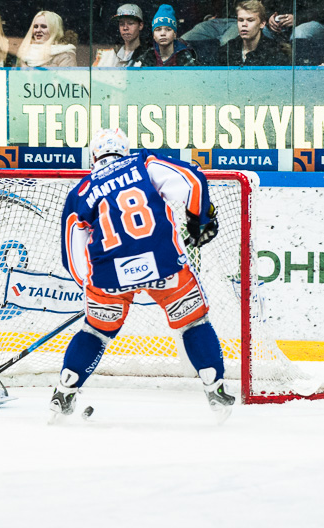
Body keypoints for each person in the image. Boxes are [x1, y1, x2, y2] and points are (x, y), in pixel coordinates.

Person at [52, 128, 235, 423]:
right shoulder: (143, 164)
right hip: (163, 264)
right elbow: (192, 180)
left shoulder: (80, 193)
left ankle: (64, 392)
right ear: (124, 150)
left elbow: (71, 255)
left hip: (108, 275)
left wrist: (92, 287)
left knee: (95, 333)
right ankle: (214, 387)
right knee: (192, 322)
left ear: (93, 156)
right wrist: (199, 218)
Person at [217, 1, 291, 66]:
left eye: (250, 20)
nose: (244, 24)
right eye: (241, 20)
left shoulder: (274, 52)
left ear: (262, 23)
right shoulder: (228, 49)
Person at [135, 4, 201, 66]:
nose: (163, 33)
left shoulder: (185, 57)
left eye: (168, 29)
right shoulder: (147, 57)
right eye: (158, 29)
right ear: (153, 36)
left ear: (175, 34)